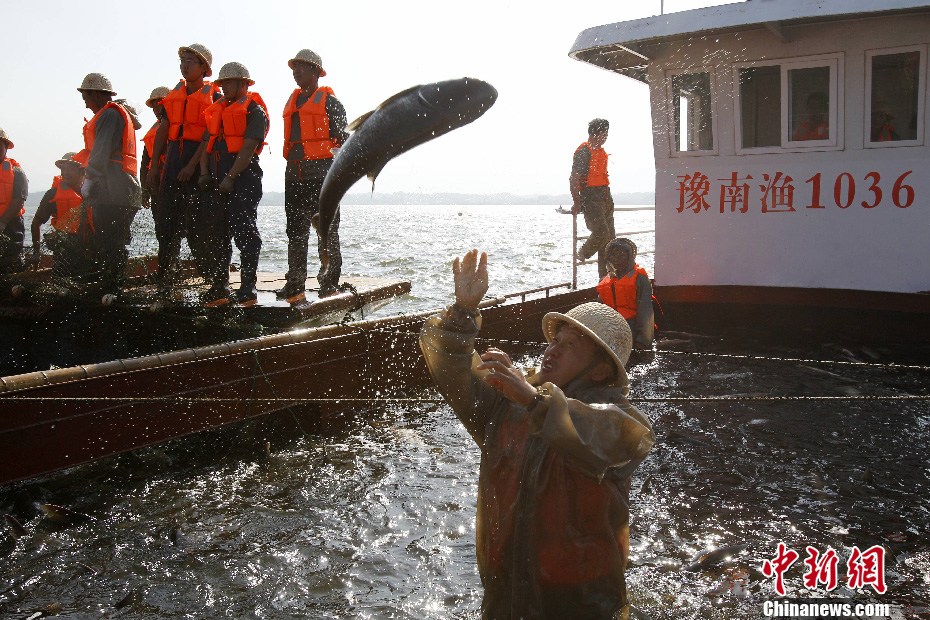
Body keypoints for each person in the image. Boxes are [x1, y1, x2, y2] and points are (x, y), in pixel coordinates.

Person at [419, 249, 655, 619]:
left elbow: (608, 435)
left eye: (570, 346)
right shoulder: (509, 405)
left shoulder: (616, 421)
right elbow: (451, 368)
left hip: (582, 601)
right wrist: (464, 313)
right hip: (508, 590)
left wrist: (532, 400)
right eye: (554, 341)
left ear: (598, 371)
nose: (552, 351)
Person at [147, 43, 221, 295]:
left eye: (191, 61)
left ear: (203, 68)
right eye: (183, 61)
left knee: (199, 225)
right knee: (167, 224)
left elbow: (209, 136)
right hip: (172, 162)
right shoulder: (173, 96)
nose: (185, 65)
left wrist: (192, 167)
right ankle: (165, 278)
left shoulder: (215, 97)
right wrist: (154, 167)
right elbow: (163, 131)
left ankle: (211, 280)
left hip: (199, 163)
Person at [278, 48, 348, 299]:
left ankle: (329, 282)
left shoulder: (330, 102)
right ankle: (295, 282)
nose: (296, 71)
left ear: (316, 72)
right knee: (295, 232)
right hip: (294, 176)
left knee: (327, 232)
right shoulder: (292, 101)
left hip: (323, 179)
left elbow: (343, 142)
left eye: (302, 67)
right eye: (294, 67)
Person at [198, 62, 269, 304]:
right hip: (217, 177)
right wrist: (205, 173)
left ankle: (247, 288)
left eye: (229, 82)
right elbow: (207, 144)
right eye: (222, 83)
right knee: (217, 233)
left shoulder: (254, 110)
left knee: (245, 230)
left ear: (243, 84)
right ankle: (220, 286)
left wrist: (231, 177)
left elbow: (248, 148)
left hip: (244, 177)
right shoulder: (216, 110)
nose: (224, 87)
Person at [73, 73, 141, 297]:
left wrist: (89, 179)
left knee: (113, 239)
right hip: (120, 187)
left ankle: (113, 287)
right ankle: (110, 283)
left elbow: (100, 152)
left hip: (116, 188)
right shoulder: (111, 114)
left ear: (96, 93)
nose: (84, 101)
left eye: (86, 95)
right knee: (108, 238)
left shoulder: (109, 115)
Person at [29, 152, 93, 277]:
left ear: (82, 172)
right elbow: (36, 223)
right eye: (63, 169)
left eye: (70, 169)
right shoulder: (52, 195)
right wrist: (36, 252)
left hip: (90, 250)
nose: (65, 173)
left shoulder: (93, 193)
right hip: (64, 252)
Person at [571, 118, 615, 278]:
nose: (606, 137)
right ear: (596, 134)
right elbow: (574, 179)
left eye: (607, 134)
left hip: (605, 196)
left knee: (610, 239)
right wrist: (577, 202)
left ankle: (606, 278)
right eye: (604, 134)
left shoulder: (601, 151)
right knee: (602, 232)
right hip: (591, 197)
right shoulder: (584, 151)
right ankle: (583, 252)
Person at [597, 237, 655, 350]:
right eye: (613, 255)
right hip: (611, 331)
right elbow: (599, 312)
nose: (617, 259)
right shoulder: (604, 282)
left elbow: (646, 312)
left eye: (621, 255)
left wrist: (643, 341)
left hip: (632, 330)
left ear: (630, 257)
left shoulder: (640, 279)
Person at [0, 128, 27, 274]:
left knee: (10, 260)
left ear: (5, 148)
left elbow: (19, 201)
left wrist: (2, 222)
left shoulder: (17, 172)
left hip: (11, 225)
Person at [140, 86, 170, 208]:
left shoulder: (180, 127)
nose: (157, 111)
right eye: (154, 107)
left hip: (173, 185)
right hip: (156, 187)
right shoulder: (152, 132)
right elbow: (144, 165)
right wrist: (144, 191)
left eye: (160, 105)